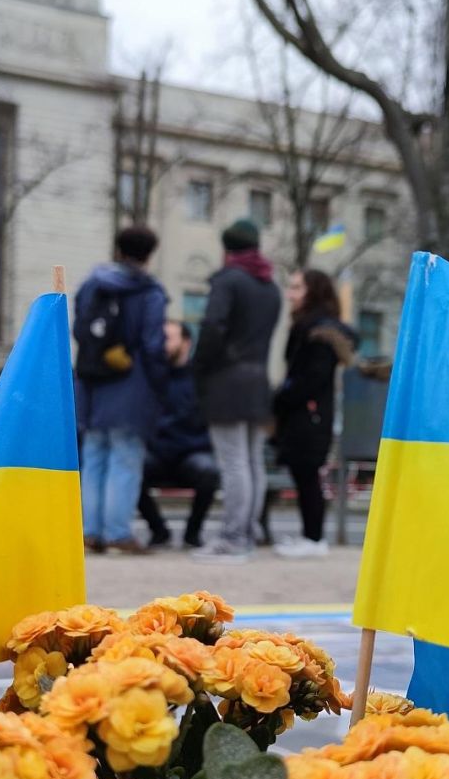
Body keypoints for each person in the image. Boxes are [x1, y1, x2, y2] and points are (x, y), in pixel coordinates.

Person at [73, 225, 169, 554]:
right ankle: (117, 532)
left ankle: (90, 531)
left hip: (92, 384)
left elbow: (78, 330)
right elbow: (154, 345)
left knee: (94, 456)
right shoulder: (149, 292)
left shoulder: (91, 285)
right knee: (125, 459)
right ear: (149, 254)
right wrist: (158, 384)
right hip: (132, 385)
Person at [192, 218, 281, 563]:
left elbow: (213, 326)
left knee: (232, 462)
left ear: (227, 249)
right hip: (259, 381)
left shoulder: (228, 281)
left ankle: (232, 537)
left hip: (227, 381)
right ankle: (249, 530)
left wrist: (200, 365)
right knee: (252, 461)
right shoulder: (269, 287)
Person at [272, 268, 355, 557]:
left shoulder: (318, 333)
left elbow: (312, 377)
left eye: (296, 287)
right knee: (304, 475)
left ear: (313, 292)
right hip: (308, 413)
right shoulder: (313, 328)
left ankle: (314, 538)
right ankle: (311, 536)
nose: (290, 294)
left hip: (309, 415)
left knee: (307, 475)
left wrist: (283, 398)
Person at [136, 320, 219, 549]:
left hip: (191, 453)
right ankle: (158, 530)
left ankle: (193, 534)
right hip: (157, 453)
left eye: (169, 338)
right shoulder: (152, 377)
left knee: (208, 472)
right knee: (130, 470)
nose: (163, 344)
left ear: (186, 343)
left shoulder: (201, 380)